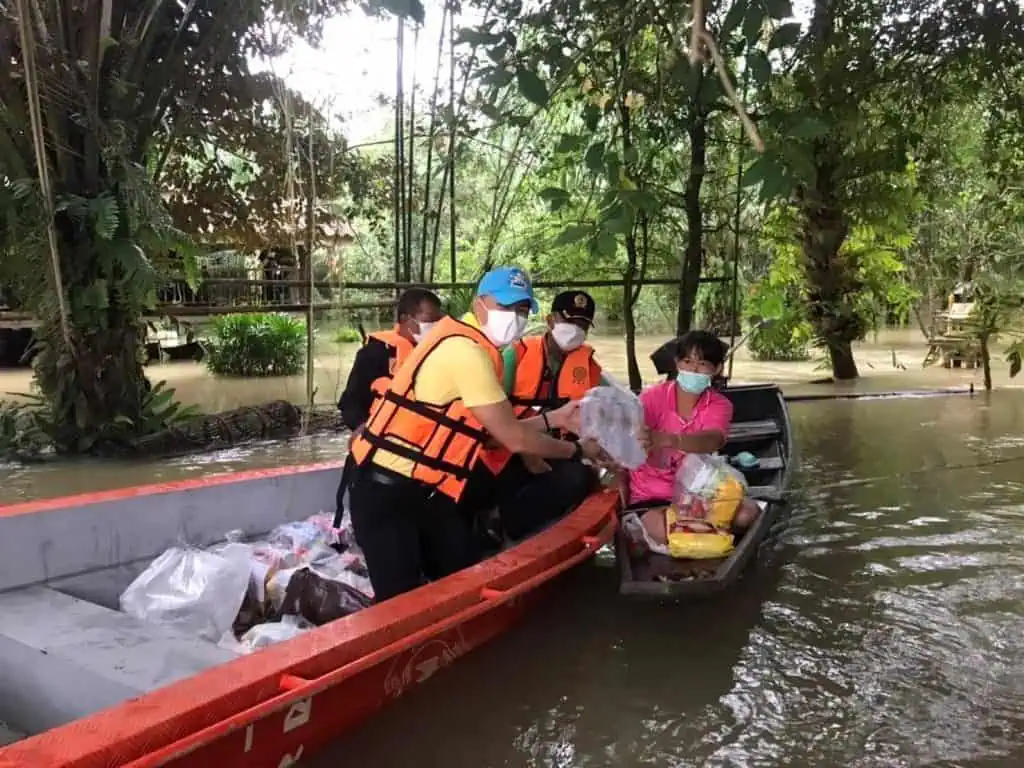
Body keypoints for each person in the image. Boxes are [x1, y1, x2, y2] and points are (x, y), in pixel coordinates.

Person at [346, 266, 605, 602]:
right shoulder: (465, 352)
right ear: (479, 304)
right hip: (384, 490)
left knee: (463, 579)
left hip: (429, 493)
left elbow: (493, 434)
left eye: (523, 309)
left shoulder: (480, 349)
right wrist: (578, 451)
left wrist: (555, 417)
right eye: (506, 306)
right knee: (402, 605)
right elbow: (513, 439)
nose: (515, 317)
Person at [470, 290, 606, 540]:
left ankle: (513, 522)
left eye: (582, 324)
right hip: (508, 446)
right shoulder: (515, 355)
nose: (575, 329)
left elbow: (600, 415)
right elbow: (490, 417)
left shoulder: (590, 367)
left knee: (579, 477)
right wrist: (527, 453)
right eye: (569, 321)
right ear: (551, 320)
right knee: (491, 475)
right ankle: (494, 518)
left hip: (557, 446)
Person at [627, 330, 759, 529]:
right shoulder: (650, 398)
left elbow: (714, 439)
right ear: (677, 363)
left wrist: (672, 440)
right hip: (654, 494)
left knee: (748, 514)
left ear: (716, 369)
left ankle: (700, 530)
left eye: (703, 364)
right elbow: (628, 439)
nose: (694, 370)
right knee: (663, 529)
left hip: (700, 491)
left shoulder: (720, 404)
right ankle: (705, 531)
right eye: (687, 362)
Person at [333, 288, 444, 525]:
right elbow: (350, 403)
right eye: (429, 320)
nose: (436, 327)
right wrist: (363, 427)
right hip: (378, 457)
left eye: (439, 321)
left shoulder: (437, 355)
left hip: (420, 459)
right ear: (406, 320)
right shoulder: (375, 353)